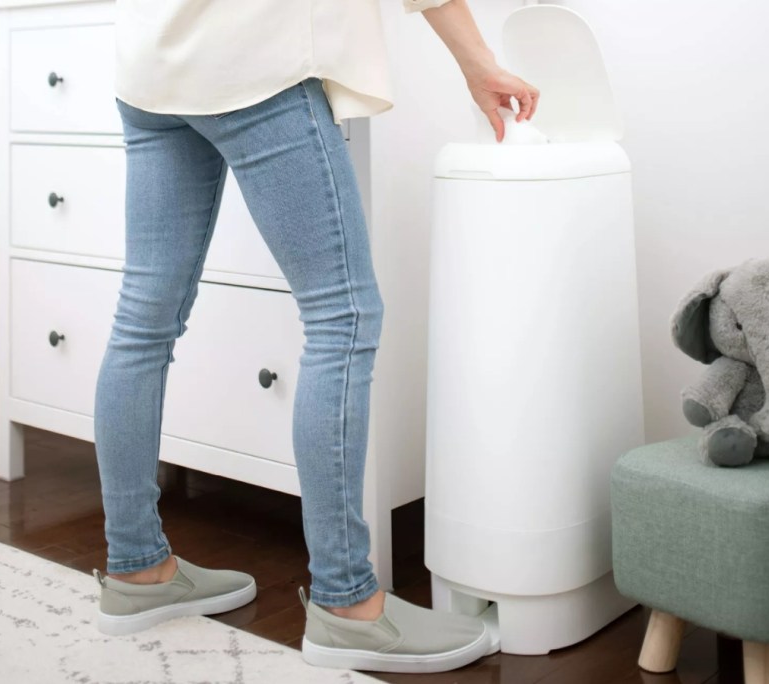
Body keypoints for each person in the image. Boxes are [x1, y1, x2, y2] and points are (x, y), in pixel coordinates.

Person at [91, 0, 539, 673]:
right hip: (250, 60)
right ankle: (347, 604)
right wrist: (479, 62)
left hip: (152, 65)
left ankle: (137, 569)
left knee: (143, 321)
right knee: (343, 316)